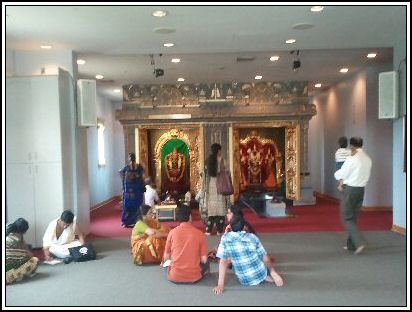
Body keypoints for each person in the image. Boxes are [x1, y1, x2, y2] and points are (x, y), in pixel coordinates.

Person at [213, 215, 284, 295]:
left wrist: (220, 285)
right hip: (260, 273)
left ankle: (263, 275)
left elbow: (222, 262)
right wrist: (273, 271)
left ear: (230, 227)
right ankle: (269, 274)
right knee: (261, 256)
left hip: (244, 280)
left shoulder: (225, 238)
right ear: (244, 227)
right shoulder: (252, 237)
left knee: (230, 258)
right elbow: (265, 258)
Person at [334, 137, 372, 254]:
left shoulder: (352, 159)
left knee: (346, 217)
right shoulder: (368, 159)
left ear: (352, 146)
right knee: (353, 217)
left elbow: (342, 173)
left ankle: (359, 242)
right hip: (361, 190)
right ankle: (352, 245)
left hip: (351, 189)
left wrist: (337, 175)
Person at [163, 203, 209, 284]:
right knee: (207, 262)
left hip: (174, 276)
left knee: (165, 264)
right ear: (190, 217)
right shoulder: (199, 233)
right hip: (194, 277)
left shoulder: (172, 232)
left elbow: (166, 257)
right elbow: (204, 260)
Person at [204, 143, 229, 235]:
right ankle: (219, 230)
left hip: (211, 186)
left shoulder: (208, 160)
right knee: (221, 209)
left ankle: (208, 230)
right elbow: (226, 172)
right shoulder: (222, 160)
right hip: (220, 185)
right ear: (218, 150)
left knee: (212, 209)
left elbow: (205, 174)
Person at [6, 218, 39, 284]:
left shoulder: (9, 235)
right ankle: (10, 277)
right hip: (8, 266)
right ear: (24, 231)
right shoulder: (17, 239)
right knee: (34, 260)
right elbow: (29, 254)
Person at [119, 152, 146, 228]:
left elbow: (120, 173)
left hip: (130, 189)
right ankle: (136, 221)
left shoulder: (127, 168)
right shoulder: (139, 167)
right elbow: (143, 176)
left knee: (128, 206)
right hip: (136, 189)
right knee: (136, 206)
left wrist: (124, 182)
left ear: (129, 159)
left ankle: (126, 222)